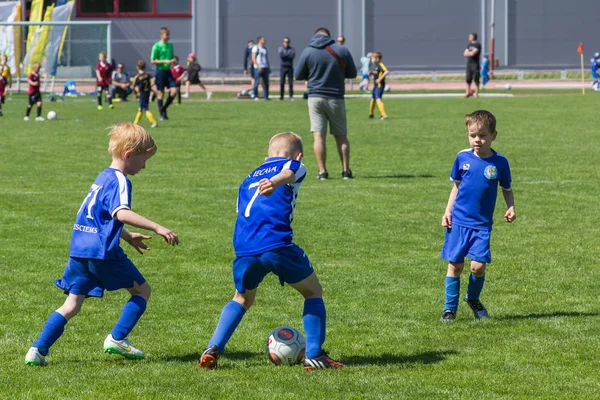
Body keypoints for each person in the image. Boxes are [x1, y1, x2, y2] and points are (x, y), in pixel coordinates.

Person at [24, 122, 179, 366]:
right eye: (143, 160)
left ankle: (37, 349)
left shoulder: (102, 177)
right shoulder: (120, 180)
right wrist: (157, 227)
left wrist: (127, 237)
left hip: (80, 249)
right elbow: (121, 213)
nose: (144, 166)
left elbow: (99, 217)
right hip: (102, 252)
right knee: (142, 291)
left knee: (72, 304)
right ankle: (117, 338)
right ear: (129, 155)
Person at [198, 132, 344, 371]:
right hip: (276, 244)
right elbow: (289, 173)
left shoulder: (247, 178)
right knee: (313, 291)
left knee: (242, 298)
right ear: (298, 154)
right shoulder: (292, 164)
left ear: (267, 155)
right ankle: (315, 355)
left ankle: (212, 348)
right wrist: (276, 182)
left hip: (244, 248)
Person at [439, 110, 515, 322]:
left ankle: (472, 298)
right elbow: (456, 187)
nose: (477, 140)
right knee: (456, 265)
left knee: (477, 266)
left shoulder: (500, 163)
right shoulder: (462, 157)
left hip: (482, 224)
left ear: (494, 135)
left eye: (482, 135)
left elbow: (507, 188)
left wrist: (511, 207)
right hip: (459, 221)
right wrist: (447, 210)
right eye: (472, 135)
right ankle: (449, 309)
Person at [295, 27, 357, 180]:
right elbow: (353, 73)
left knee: (318, 136)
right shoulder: (342, 50)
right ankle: (346, 171)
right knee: (341, 136)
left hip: (315, 97)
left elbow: (298, 75)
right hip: (336, 97)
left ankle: (322, 172)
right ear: (329, 36)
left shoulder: (308, 51)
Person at [151, 26, 177, 120]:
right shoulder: (156, 46)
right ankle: (162, 114)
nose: (168, 36)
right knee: (160, 93)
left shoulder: (170, 45)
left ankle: (163, 109)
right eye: (167, 34)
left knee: (174, 91)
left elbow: (172, 57)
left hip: (168, 71)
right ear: (162, 35)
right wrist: (165, 61)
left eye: (169, 34)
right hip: (160, 71)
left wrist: (173, 61)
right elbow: (153, 60)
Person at [132, 60, 158, 128]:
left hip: (142, 94)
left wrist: (136, 91)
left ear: (137, 67)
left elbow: (134, 86)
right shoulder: (148, 75)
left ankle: (153, 122)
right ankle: (135, 123)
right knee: (141, 108)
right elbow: (153, 81)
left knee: (145, 109)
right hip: (147, 93)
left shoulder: (137, 77)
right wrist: (149, 87)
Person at [368, 52, 388, 120]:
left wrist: (380, 79)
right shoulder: (376, 66)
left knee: (378, 99)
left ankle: (384, 115)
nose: (371, 60)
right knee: (373, 99)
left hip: (380, 85)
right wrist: (371, 73)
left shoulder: (381, 64)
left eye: (372, 58)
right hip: (375, 85)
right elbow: (377, 72)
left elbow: (386, 71)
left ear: (377, 58)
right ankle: (371, 114)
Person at [252, 36, 270, 100]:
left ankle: (266, 96)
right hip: (258, 67)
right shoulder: (255, 48)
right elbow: (253, 58)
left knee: (266, 82)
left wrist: (268, 67)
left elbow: (266, 59)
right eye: (263, 39)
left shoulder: (265, 48)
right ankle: (255, 96)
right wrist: (258, 66)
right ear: (259, 40)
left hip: (265, 67)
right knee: (257, 82)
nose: (264, 40)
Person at [463, 33, 481, 98]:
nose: (469, 37)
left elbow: (473, 53)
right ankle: (467, 93)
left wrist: (469, 53)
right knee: (468, 79)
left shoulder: (477, 44)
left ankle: (476, 94)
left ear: (474, 37)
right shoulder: (469, 44)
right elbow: (464, 53)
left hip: (475, 64)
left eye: (470, 36)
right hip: (469, 64)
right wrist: (469, 53)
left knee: (476, 79)